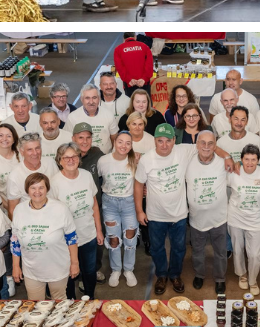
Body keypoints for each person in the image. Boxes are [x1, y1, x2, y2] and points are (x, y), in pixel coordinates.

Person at [136, 123, 230, 295]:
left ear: (174, 140)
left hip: (179, 215)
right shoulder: (146, 159)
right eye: (160, 141)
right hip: (155, 215)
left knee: (179, 248)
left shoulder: (183, 151)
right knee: (157, 248)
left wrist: (228, 156)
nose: (164, 145)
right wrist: (139, 211)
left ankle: (175, 275)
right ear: (155, 141)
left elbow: (209, 145)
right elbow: (138, 184)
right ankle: (162, 275)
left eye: (168, 140)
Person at [10, 172, 78, 299]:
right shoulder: (19, 210)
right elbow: (15, 241)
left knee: (60, 305)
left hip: (58, 268)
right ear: (27, 190)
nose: (37, 191)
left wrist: (75, 263)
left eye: (41, 187)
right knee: (36, 307)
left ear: (47, 188)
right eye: (33, 188)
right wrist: (15, 267)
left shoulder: (61, 208)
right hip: (32, 270)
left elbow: (72, 238)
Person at [50, 143, 102, 299]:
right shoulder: (54, 182)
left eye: (74, 156)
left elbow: (94, 206)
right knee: (69, 273)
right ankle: (70, 303)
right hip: (65, 240)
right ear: (60, 161)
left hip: (88, 234)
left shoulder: (86, 176)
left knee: (90, 271)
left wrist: (98, 230)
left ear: (79, 158)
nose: (70, 160)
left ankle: (89, 298)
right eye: (66, 157)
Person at [184, 129, 229, 295]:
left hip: (219, 219)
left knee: (220, 252)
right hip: (197, 220)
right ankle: (199, 274)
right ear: (196, 144)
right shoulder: (187, 162)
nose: (206, 147)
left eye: (210, 143)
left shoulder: (223, 163)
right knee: (197, 251)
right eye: (202, 142)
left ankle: (220, 279)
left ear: (215, 145)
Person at [97, 130, 139, 288]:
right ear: (114, 142)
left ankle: (128, 269)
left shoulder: (135, 160)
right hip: (110, 204)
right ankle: (116, 269)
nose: (124, 145)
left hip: (129, 203)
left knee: (130, 237)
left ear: (131, 145)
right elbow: (99, 179)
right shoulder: (103, 160)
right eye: (120, 142)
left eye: (128, 143)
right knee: (113, 239)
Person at [229, 144, 260, 295]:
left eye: (253, 159)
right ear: (241, 159)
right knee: (238, 249)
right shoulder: (233, 173)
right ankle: (242, 275)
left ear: (258, 160)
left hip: (256, 219)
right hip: (235, 218)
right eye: (246, 159)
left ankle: (253, 280)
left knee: (255, 254)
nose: (249, 163)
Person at [5, 134, 59, 217]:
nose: (35, 153)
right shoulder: (15, 175)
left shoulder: (50, 163)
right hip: (30, 219)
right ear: (22, 152)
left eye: (37, 148)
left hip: (54, 214)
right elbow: (12, 210)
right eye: (29, 150)